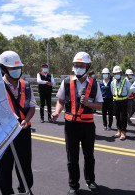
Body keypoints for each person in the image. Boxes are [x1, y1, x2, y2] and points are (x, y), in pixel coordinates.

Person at [52, 52, 103, 195]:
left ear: (88, 67)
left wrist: (89, 103)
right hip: (70, 126)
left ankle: (90, 180)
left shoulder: (94, 84)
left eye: (82, 66)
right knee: (72, 157)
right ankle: (73, 185)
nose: (78, 68)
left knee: (89, 155)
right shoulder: (67, 82)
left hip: (87, 126)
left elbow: (100, 105)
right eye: (76, 65)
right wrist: (57, 112)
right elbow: (61, 100)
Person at [0, 51, 36, 195]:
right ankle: (7, 192)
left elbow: (32, 106)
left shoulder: (25, 85)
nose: (16, 70)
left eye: (18, 67)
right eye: (12, 68)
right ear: (3, 69)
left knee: (25, 164)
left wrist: (26, 120)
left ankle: (25, 189)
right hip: (4, 133)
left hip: (23, 130)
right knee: (5, 167)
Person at [111, 66, 131, 140]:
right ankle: (118, 130)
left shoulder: (126, 81)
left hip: (123, 101)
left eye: (118, 73)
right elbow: (112, 91)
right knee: (117, 117)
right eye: (115, 73)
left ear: (121, 73)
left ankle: (123, 131)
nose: (116, 74)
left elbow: (129, 91)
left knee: (123, 117)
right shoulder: (113, 82)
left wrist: (125, 97)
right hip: (115, 101)